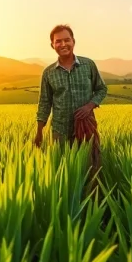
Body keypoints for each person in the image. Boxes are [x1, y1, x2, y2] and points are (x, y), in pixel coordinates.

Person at [34, 25, 108, 168]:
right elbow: (44, 103)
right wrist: (39, 133)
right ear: (52, 45)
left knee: (91, 168)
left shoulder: (88, 65)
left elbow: (101, 89)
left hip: (86, 128)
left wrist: (90, 106)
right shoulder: (48, 73)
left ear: (73, 41)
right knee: (62, 170)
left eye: (67, 40)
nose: (63, 44)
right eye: (58, 41)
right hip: (60, 131)